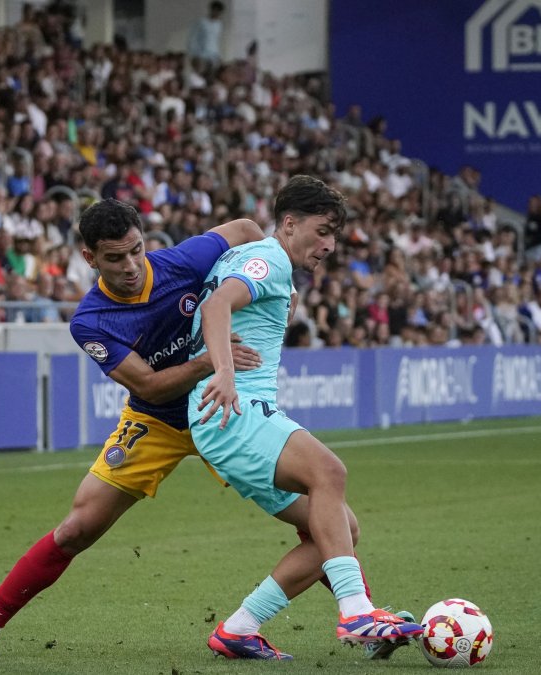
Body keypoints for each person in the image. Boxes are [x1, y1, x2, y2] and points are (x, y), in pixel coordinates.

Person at [0, 199, 278, 660]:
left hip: (218, 408)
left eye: (136, 251)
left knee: (311, 511)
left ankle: (359, 610)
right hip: (156, 419)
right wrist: (209, 358)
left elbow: (245, 226)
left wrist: (274, 281)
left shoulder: (183, 260)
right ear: (89, 258)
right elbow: (149, 384)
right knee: (75, 530)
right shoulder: (91, 321)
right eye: (115, 257)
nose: (130, 266)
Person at [189, 176, 423, 659]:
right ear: (290, 223)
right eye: (322, 231)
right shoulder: (270, 258)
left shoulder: (262, 262)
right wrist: (226, 375)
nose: (330, 245)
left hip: (231, 417)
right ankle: (357, 614)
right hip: (233, 411)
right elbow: (216, 306)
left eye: (334, 235)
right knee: (330, 471)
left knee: (339, 528)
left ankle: (239, 628)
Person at [187, 1, 225, 68]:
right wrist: (194, 54)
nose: (216, 13)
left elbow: (215, 41)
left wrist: (218, 55)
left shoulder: (219, 24)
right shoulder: (201, 22)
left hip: (213, 54)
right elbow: (192, 38)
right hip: (200, 55)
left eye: (219, 11)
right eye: (215, 10)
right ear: (211, 10)